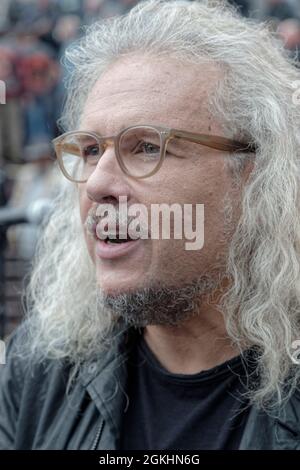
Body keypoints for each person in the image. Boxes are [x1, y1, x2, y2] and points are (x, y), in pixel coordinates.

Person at [1, 0, 300, 450]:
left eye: (145, 148)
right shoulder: (41, 365)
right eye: (88, 150)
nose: (97, 182)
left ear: (254, 175)